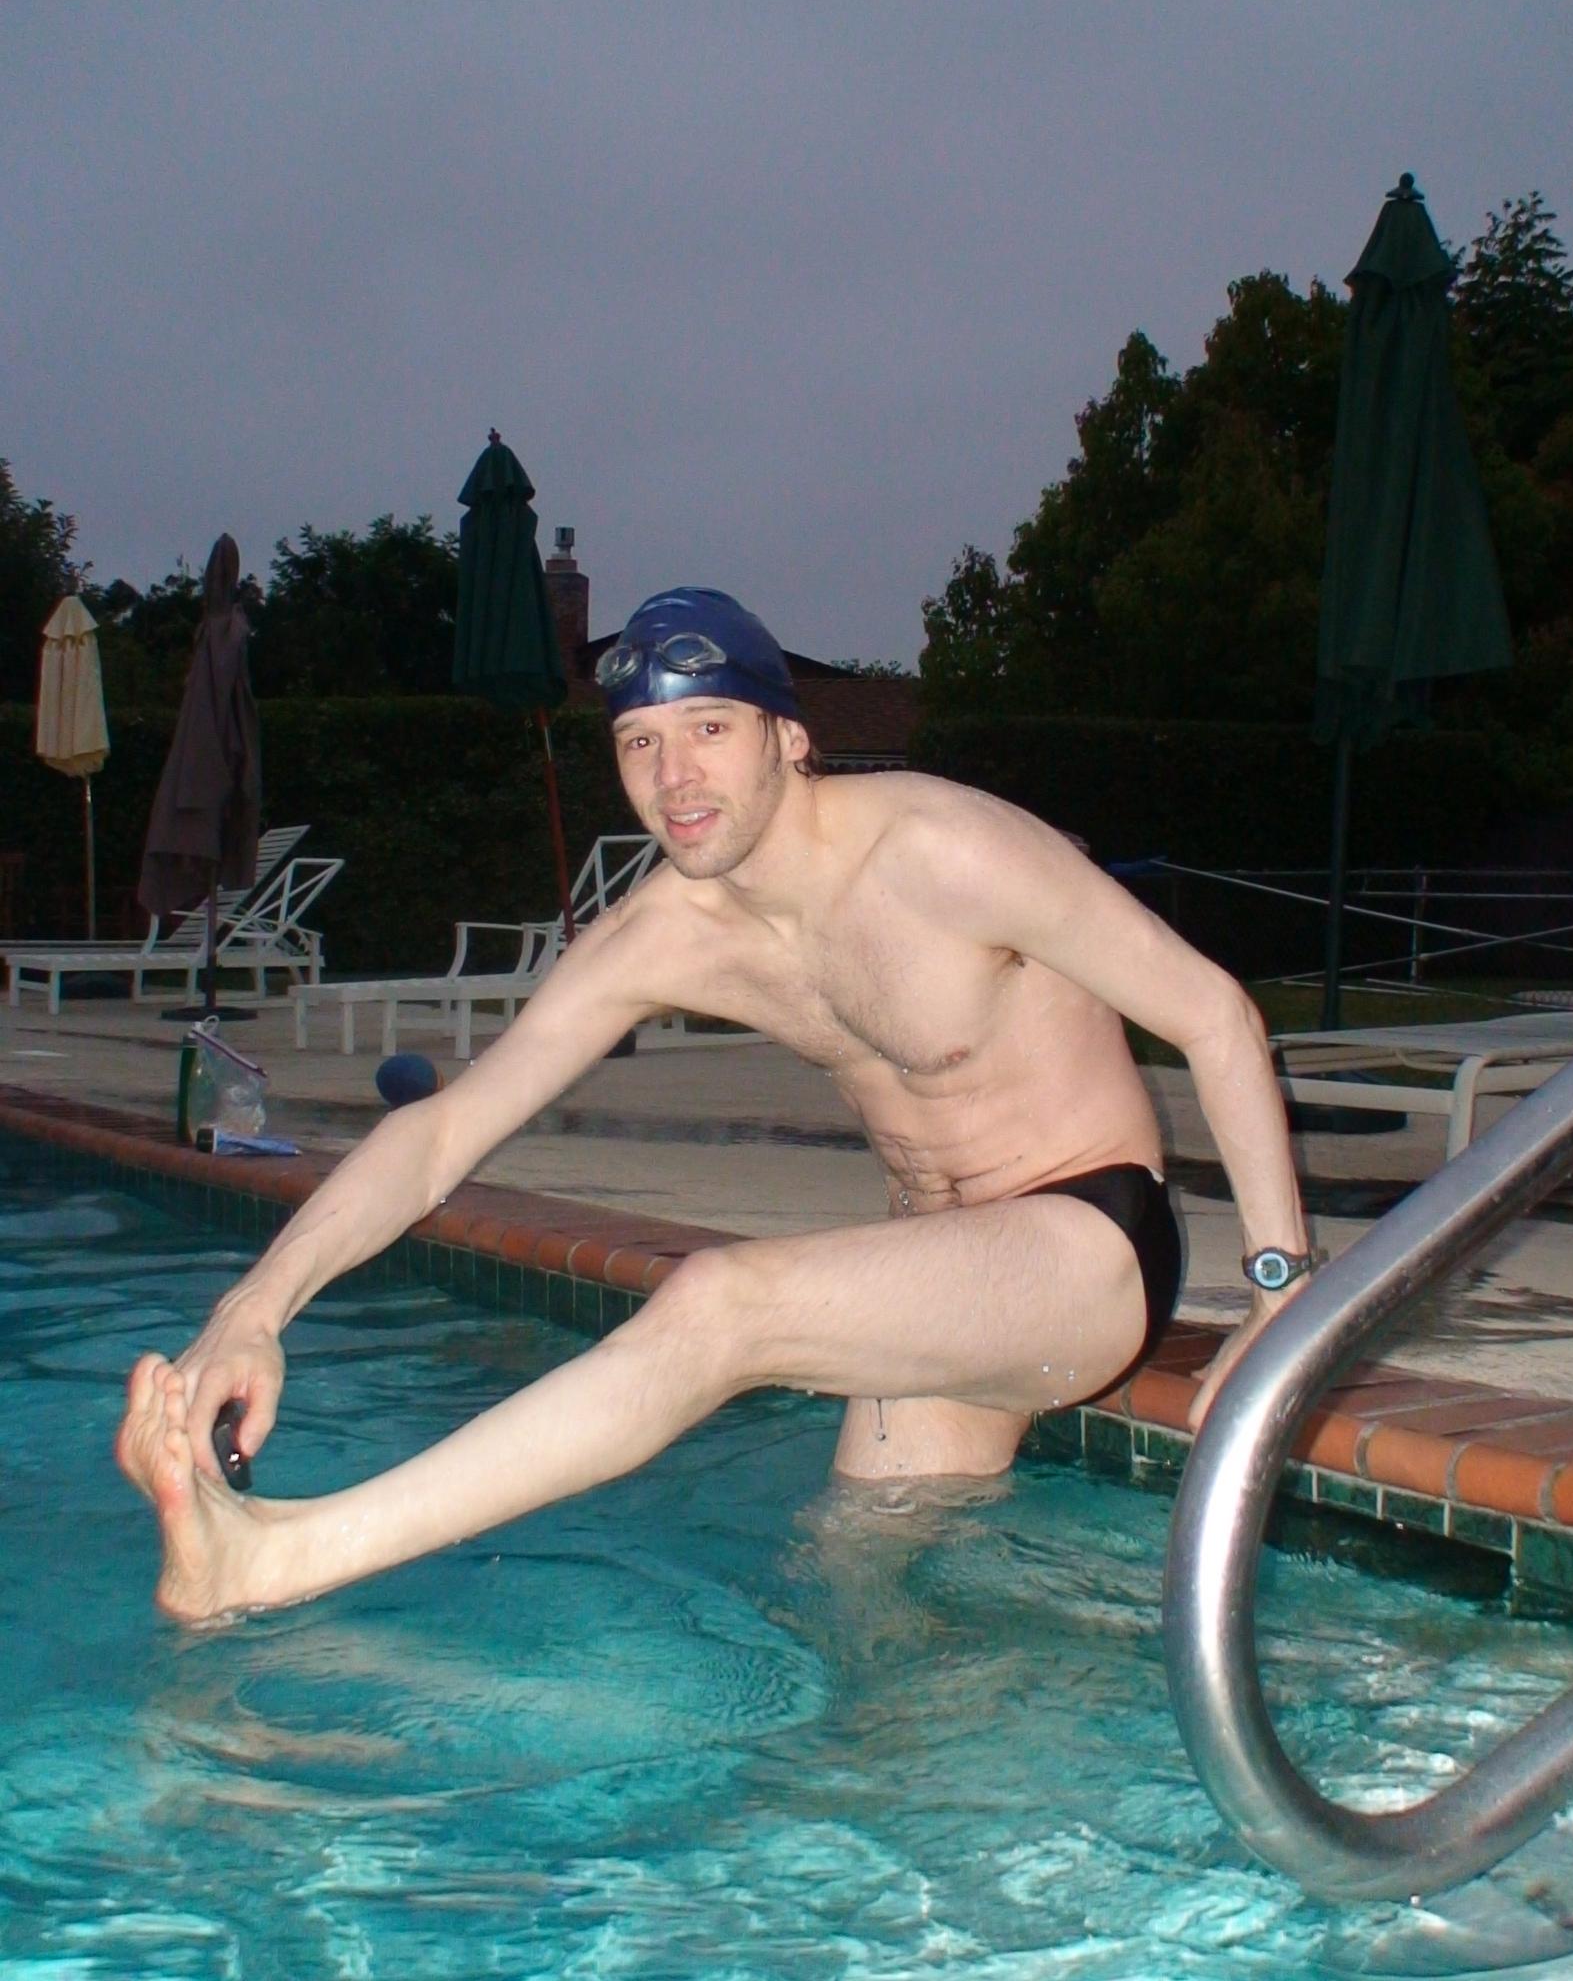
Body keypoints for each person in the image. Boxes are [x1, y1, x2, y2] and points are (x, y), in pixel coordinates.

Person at [118, 587, 1317, 1625]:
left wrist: (1281, 1292)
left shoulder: (942, 850)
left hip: (1089, 1243)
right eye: (640, 743)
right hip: (938, 1284)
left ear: (788, 738)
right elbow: (438, 1134)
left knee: (722, 1304)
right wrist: (254, 1305)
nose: (675, 776)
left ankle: (278, 1554)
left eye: (708, 729)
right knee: (869, 1620)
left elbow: (1217, 1017)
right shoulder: (667, 935)